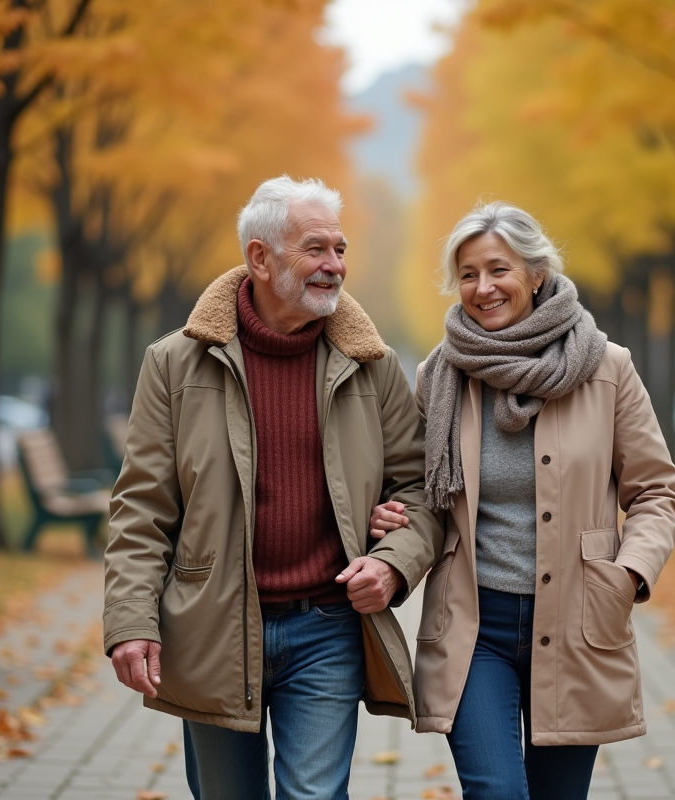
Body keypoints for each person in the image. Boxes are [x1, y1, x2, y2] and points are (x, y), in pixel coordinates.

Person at [103, 175, 441, 800]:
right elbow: (142, 510)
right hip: (211, 624)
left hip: (328, 625)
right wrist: (130, 622)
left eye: (340, 249)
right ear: (259, 258)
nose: (335, 266)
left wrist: (392, 566)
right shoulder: (173, 364)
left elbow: (419, 489)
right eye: (316, 249)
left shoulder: (373, 366)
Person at [371, 202, 675, 800]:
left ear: (536, 274)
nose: (483, 287)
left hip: (578, 624)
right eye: (468, 274)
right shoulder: (440, 376)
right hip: (473, 626)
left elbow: (656, 493)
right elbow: (423, 494)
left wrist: (629, 574)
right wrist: (396, 518)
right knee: (497, 792)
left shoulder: (606, 368)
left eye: (498, 269)